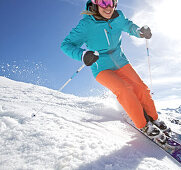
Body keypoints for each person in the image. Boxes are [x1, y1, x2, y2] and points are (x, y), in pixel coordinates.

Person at [61, 0, 167, 137]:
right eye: (103, 2)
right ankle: (144, 125)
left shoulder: (118, 17)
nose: (108, 7)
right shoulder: (87, 25)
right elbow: (66, 45)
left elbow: (129, 26)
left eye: (111, 2)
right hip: (101, 67)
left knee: (140, 87)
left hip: (120, 61)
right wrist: (82, 55)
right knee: (124, 89)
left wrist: (139, 32)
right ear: (94, 4)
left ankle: (154, 118)